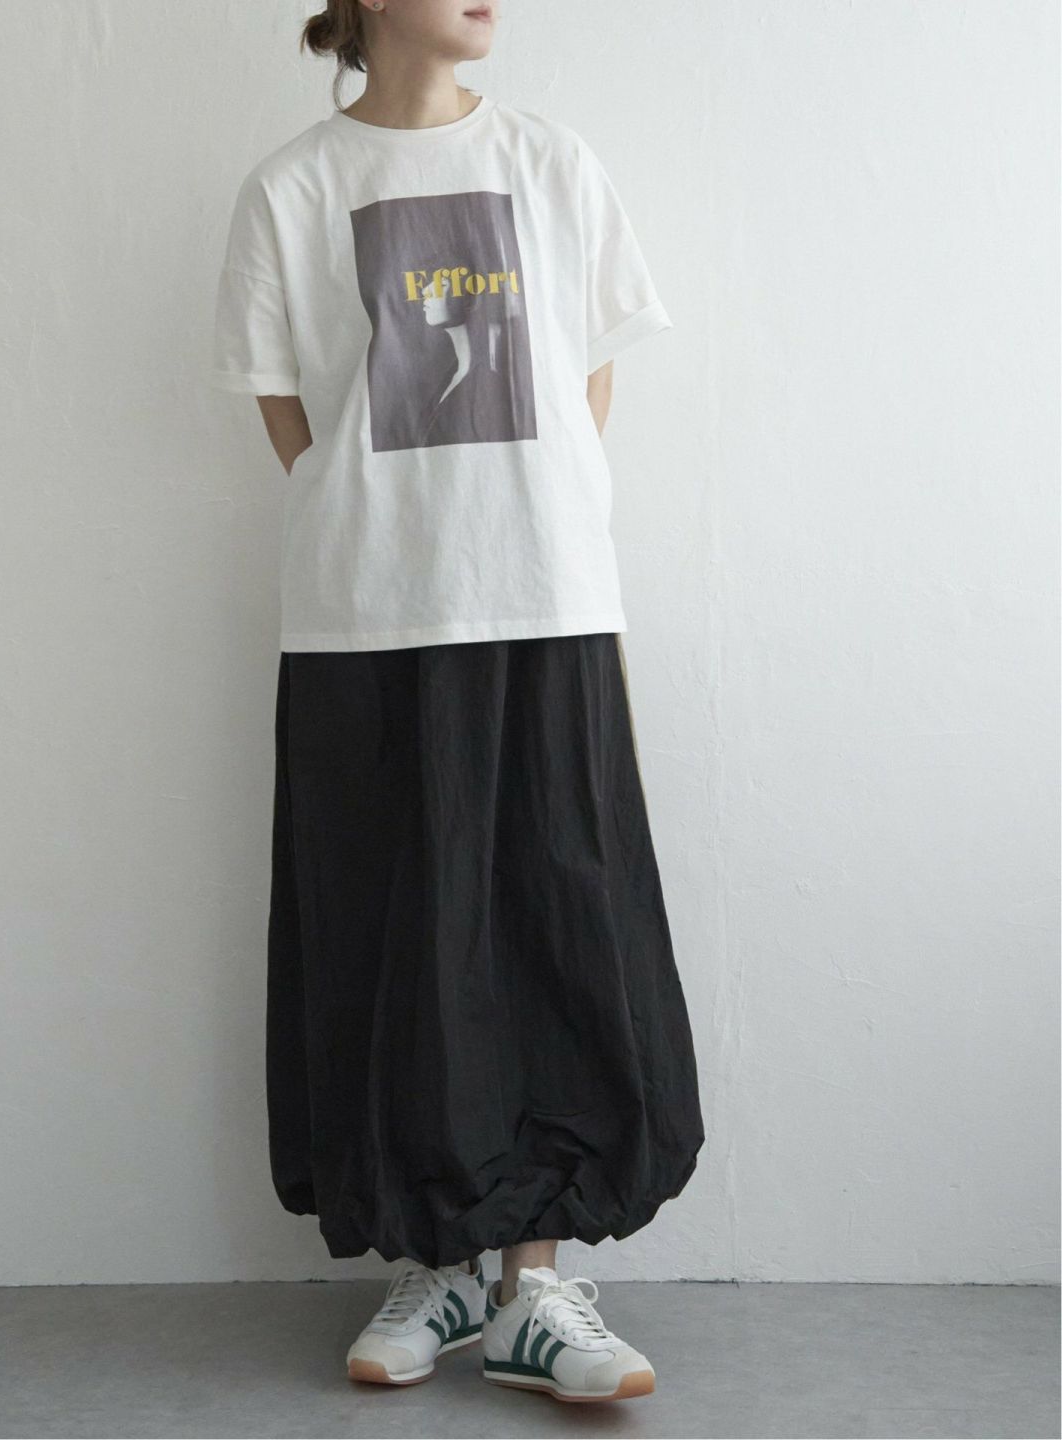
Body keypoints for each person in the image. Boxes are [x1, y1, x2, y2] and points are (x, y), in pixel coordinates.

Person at [209, 0, 705, 1406]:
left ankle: (534, 1288)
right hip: (367, 610)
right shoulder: (292, 189)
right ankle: (434, 1265)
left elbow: (588, 371)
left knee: (556, 915)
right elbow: (283, 405)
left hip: (543, 593)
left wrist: (517, 515)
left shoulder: (552, 163)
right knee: (392, 924)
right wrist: (382, 518)